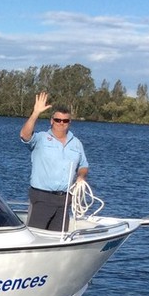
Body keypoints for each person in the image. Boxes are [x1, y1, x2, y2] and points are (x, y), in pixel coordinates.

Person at [19, 92, 89, 231]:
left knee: (58, 238)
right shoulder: (41, 138)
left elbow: (83, 165)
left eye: (65, 121)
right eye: (58, 120)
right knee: (35, 236)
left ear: (70, 122)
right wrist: (35, 113)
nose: (61, 123)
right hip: (42, 197)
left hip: (64, 200)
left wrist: (81, 176)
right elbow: (25, 135)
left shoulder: (76, 144)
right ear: (52, 121)